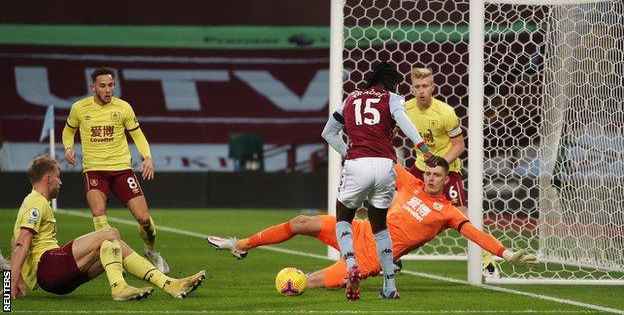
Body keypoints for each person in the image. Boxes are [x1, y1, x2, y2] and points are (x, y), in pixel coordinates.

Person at [206, 156, 539, 291]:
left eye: (438, 175)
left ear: (447, 178)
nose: (432, 178)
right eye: (430, 173)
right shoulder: (412, 183)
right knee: (300, 221)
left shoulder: (449, 212)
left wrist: (506, 253)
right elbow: (387, 159)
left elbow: (475, 233)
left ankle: (300, 279)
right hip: (360, 229)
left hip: (373, 257)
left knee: (302, 284)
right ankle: (240, 245)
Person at [9, 156, 205, 301]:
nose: (61, 182)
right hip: (49, 267)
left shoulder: (34, 202)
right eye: (58, 177)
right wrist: (10, 283)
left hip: (55, 279)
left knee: (113, 245)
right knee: (110, 233)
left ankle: (169, 284)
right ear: (48, 178)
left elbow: (14, 240)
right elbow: (22, 241)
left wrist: (19, 279)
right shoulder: (36, 203)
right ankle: (119, 288)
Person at [320, 62, 431, 300]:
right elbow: (403, 120)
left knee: (343, 218)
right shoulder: (391, 98)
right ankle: (389, 285)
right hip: (385, 165)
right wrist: (423, 147)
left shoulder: (350, 99)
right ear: (391, 81)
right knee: (379, 225)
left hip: (358, 162)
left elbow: (327, 132)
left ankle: (351, 265)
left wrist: (347, 151)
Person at [62, 67, 169, 274]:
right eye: (103, 86)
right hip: (94, 170)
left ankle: (151, 250)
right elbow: (68, 130)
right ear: (93, 87)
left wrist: (147, 158)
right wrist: (68, 147)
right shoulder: (79, 108)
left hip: (122, 170)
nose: (108, 89)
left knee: (144, 219)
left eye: (111, 85)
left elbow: (138, 135)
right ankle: (113, 264)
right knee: (99, 214)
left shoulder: (123, 108)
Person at [404, 66, 497, 276]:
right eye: (417, 86)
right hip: (419, 168)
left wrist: (439, 165)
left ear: (433, 87)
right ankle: (390, 257)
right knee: (398, 206)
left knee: (460, 215)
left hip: (448, 170)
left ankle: (487, 260)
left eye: (425, 86)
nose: (421, 91)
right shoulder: (405, 109)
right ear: (412, 88)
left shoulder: (445, 112)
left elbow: (459, 145)